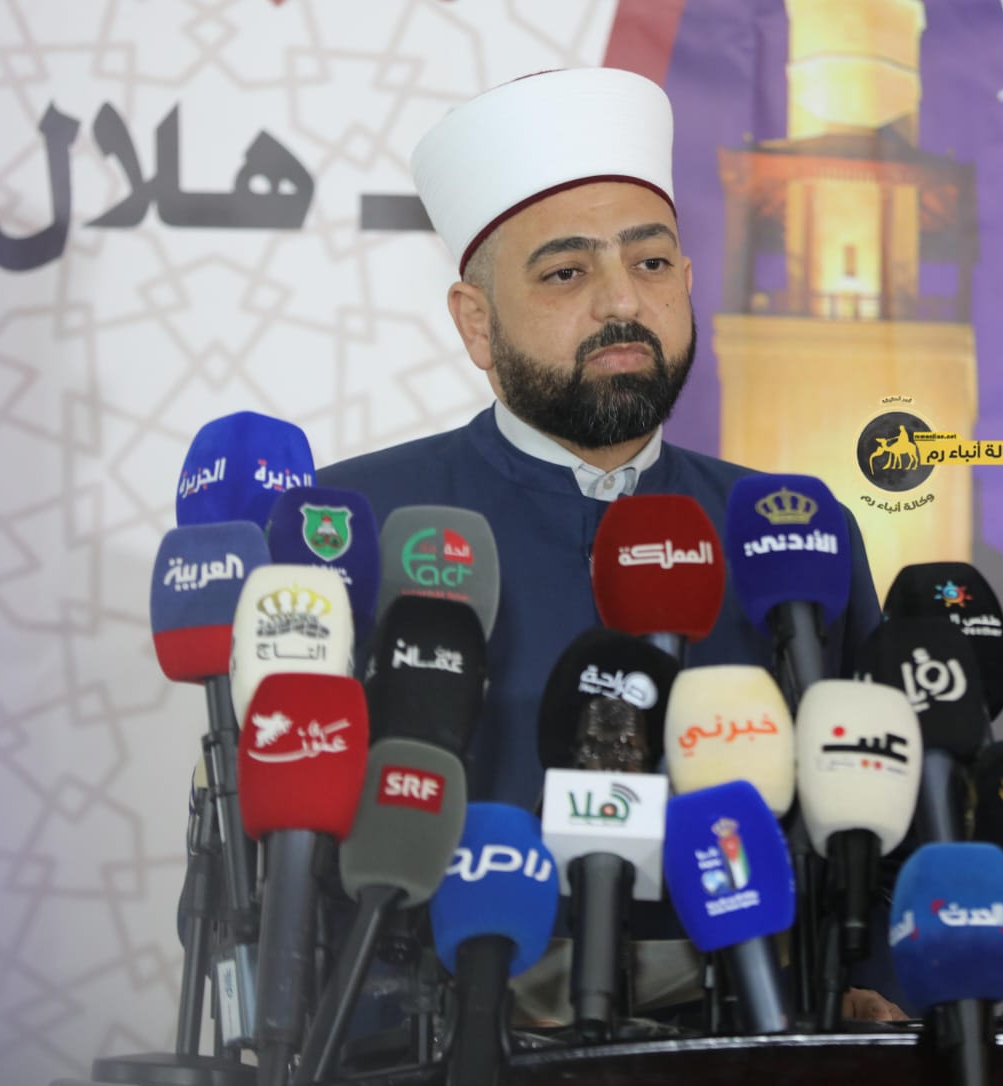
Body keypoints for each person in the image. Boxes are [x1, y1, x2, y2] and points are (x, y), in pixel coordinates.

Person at [319, 67, 900, 1024]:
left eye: (653, 262)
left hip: (744, 1031)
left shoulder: (789, 527)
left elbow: (875, 811)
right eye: (567, 273)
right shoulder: (359, 522)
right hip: (438, 1036)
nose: (622, 302)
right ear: (476, 323)